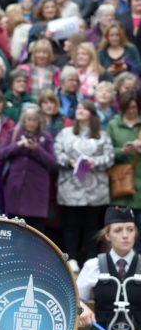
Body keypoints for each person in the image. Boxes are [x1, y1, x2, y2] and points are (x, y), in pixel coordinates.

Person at [54, 101, 115, 272]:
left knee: (92, 226)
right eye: (78, 108)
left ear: (92, 113)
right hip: (70, 188)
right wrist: (69, 161)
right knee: (71, 225)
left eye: (84, 108)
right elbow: (57, 153)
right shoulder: (65, 133)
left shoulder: (102, 135)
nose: (79, 111)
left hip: (95, 189)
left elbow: (110, 157)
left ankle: (91, 260)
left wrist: (96, 161)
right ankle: (71, 258)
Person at [0, 104, 55, 230]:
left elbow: (51, 162)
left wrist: (37, 149)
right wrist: (18, 145)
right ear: (23, 120)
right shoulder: (13, 133)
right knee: (13, 226)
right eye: (29, 120)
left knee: (35, 228)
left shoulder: (46, 137)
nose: (31, 123)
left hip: (36, 189)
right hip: (15, 187)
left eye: (35, 120)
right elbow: (1, 154)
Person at [107, 93, 141, 247]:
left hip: (139, 181)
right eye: (128, 107)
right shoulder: (113, 124)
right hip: (120, 183)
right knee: (120, 229)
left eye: (134, 107)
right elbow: (106, 151)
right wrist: (122, 151)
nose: (131, 111)